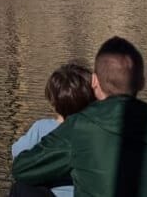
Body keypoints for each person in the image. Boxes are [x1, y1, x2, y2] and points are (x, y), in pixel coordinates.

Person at [12, 36, 147, 197]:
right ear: (142, 82)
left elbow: (23, 168)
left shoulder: (82, 127)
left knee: (22, 188)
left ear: (95, 82)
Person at [10, 63, 95, 197]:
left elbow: (17, 155)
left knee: (21, 185)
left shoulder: (42, 127)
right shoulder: (98, 132)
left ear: (53, 102)